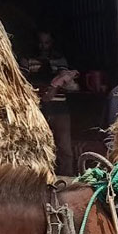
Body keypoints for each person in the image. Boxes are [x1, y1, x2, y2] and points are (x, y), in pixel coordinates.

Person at [20, 31, 78, 175]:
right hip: (37, 109)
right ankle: (42, 178)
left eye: (46, 43)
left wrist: (55, 87)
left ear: (51, 43)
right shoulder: (27, 60)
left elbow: (65, 79)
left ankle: (67, 178)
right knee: (40, 145)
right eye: (40, 43)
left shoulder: (59, 60)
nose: (43, 46)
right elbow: (21, 80)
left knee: (64, 148)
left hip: (60, 108)